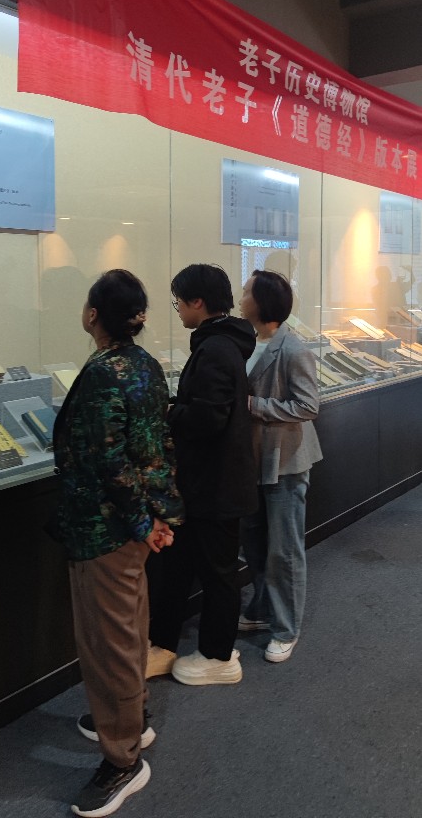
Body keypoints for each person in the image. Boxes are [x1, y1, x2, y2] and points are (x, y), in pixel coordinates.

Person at [53, 269, 184, 818]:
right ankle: (134, 718)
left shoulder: (103, 372)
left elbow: (109, 460)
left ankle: (123, 758)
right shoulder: (146, 364)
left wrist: (139, 522)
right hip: (132, 525)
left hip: (104, 530)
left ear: (92, 315)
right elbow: (156, 445)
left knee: (106, 645)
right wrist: (157, 516)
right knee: (129, 629)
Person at [150, 263, 258, 686]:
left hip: (215, 485)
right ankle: (163, 644)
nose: (177, 308)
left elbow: (208, 418)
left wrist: (169, 412)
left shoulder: (215, 349)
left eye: (178, 300)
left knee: (218, 574)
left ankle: (218, 655)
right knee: (180, 567)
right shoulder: (223, 343)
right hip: (207, 484)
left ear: (197, 302)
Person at [238, 269, 322, 663]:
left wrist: (255, 406)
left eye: (246, 291)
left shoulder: (293, 348)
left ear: (262, 302)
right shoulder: (247, 341)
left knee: (284, 550)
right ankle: (261, 609)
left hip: (285, 462)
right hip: (253, 461)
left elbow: (307, 406)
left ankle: (287, 628)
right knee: (254, 542)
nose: (241, 296)